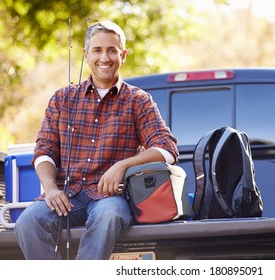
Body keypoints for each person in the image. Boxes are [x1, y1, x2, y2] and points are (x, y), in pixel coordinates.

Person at [14, 20, 178, 260]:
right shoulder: (62, 98)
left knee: (108, 216)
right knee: (28, 222)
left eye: (112, 50)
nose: (105, 57)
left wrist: (122, 166)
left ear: (123, 54)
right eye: (97, 50)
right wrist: (50, 189)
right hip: (65, 195)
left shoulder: (138, 100)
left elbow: (167, 148)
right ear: (85, 54)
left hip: (111, 199)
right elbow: (44, 152)